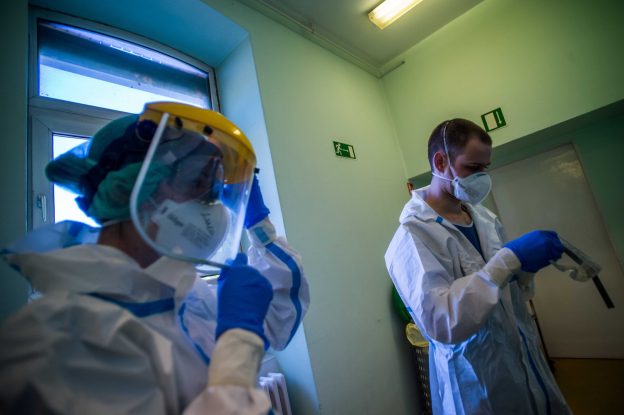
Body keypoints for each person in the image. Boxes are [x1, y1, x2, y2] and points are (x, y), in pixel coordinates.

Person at [0, 102, 309, 414]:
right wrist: (239, 339)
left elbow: (275, 319)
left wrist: (258, 225)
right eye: (198, 182)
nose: (213, 208)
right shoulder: (60, 341)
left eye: (214, 191)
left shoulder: (182, 292)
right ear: (130, 189)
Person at [385, 119, 571, 414]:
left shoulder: (485, 218)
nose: (482, 177)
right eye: (473, 167)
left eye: (485, 167)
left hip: (520, 354)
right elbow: (441, 322)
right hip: (475, 375)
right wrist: (508, 261)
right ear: (441, 161)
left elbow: (508, 292)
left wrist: (525, 270)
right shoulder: (412, 237)